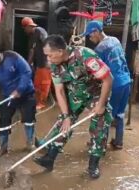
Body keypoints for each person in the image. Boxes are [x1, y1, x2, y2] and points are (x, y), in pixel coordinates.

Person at [33, 35, 113, 178]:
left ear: (60, 51)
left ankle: (93, 166)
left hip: (95, 93)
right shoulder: (54, 65)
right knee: (63, 124)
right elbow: (59, 90)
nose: (48, 59)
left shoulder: (85, 56)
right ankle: (49, 159)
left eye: (50, 55)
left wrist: (100, 105)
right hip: (74, 94)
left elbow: (108, 79)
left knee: (99, 126)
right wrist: (66, 116)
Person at [84, 20, 131, 149]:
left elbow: (97, 73)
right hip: (126, 81)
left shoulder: (100, 49)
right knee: (119, 114)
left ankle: (99, 144)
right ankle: (118, 142)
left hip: (114, 84)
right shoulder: (115, 40)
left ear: (96, 32)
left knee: (105, 115)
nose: (90, 37)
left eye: (90, 34)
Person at [21, 17, 52, 110]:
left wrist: (49, 60)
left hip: (45, 63)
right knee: (37, 84)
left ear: (29, 26)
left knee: (44, 84)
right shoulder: (31, 37)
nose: (24, 31)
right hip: (38, 64)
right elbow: (32, 51)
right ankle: (37, 101)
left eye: (24, 28)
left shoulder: (40, 31)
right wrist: (27, 65)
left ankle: (42, 103)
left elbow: (48, 44)